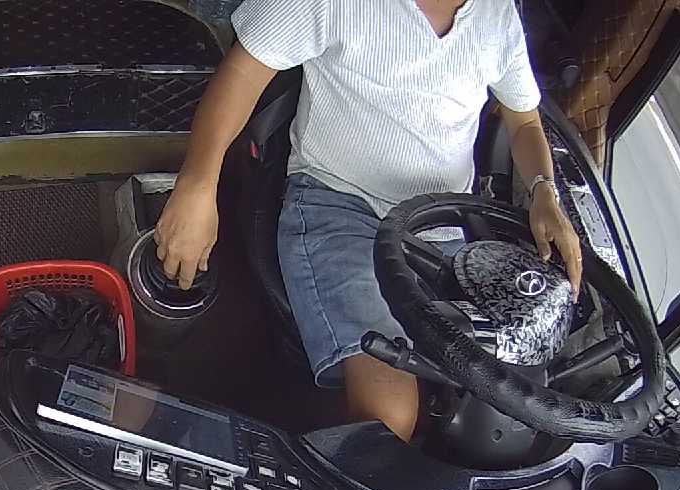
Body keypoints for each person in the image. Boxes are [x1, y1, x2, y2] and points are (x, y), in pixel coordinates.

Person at [155, 0, 583, 441]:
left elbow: (524, 121)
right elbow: (244, 71)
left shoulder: (496, 15)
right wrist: (198, 185)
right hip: (338, 204)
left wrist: (544, 193)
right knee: (389, 415)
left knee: (511, 401)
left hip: (443, 224)